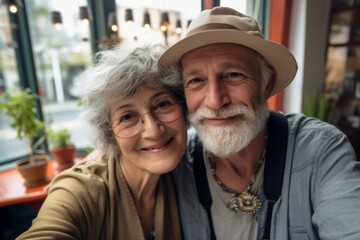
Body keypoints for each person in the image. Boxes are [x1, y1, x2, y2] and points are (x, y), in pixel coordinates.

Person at [159, 6, 360, 240]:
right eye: (196, 80)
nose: (215, 101)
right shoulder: (177, 161)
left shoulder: (321, 153)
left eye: (233, 74)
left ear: (267, 83)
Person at [17, 44, 187, 240]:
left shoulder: (186, 167)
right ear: (109, 133)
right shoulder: (81, 190)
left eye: (163, 104)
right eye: (127, 117)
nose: (153, 130)